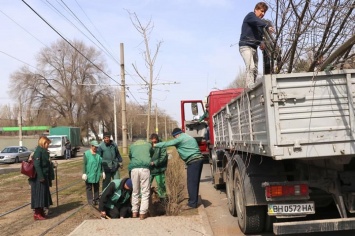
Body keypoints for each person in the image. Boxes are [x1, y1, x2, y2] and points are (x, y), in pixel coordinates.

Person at [154, 128, 204, 210]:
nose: (175, 139)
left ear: (176, 135)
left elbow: (167, 144)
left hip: (193, 161)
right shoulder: (188, 136)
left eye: (174, 137)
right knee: (195, 182)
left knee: (191, 183)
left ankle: (192, 204)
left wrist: (155, 145)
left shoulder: (180, 138)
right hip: (198, 160)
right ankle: (194, 200)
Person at [239, 2, 274, 89]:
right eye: (261, 11)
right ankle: (250, 87)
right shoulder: (250, 16)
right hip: (245, 46)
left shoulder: (259, 24)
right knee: (251, 67)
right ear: (256, 9)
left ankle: (253, 84)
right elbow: (257, 21)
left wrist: (261, 43)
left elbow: (259, 35)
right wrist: (267, 26)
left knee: (255, 70)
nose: (262, 14)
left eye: (264, 12)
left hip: (254, 48)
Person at [128, 139, 153, 220]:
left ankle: (134, 212)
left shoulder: (132, 146)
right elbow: (151, 154)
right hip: (145, 168)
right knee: (145, 191)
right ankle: (142, 213)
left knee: (135, 191)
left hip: (134, 169)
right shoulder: (148, 145)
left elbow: (130, 156)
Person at [31, 136, 55, 220]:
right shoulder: (38, 151)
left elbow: (46, 163)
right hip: (39, 177)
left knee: (43, 195)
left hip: (44, 176)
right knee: (39, 195)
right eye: (47, 144)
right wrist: (41, 176)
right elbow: (37, 165)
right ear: (43, 143)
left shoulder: (44, 151)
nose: (48, 145)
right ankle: (37, 213)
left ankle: (41, 212)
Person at [82, 140, 104, 205]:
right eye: (94, 147)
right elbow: (84, 164)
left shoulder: (99, 154)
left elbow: (101, 163)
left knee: (96, 187)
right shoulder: (86, 154)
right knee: (89, 187)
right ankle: (90, 200)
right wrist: (84, 173)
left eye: (97, 147)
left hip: (97, 173)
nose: (96, 148)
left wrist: (102, 172)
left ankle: (96, 199)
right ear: (91, 146)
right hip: (89, 173)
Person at [149, 133, 168, 200]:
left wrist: (154, 162)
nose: (154, 143)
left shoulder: (162, 145)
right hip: (150, 169)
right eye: (153, 142)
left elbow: (163, 157)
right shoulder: (149, 145)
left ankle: (163, 199)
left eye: (155, 142)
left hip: (159, 168)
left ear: (157, 140)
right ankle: (143, 199)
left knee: (161, 184)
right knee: (146, 184)